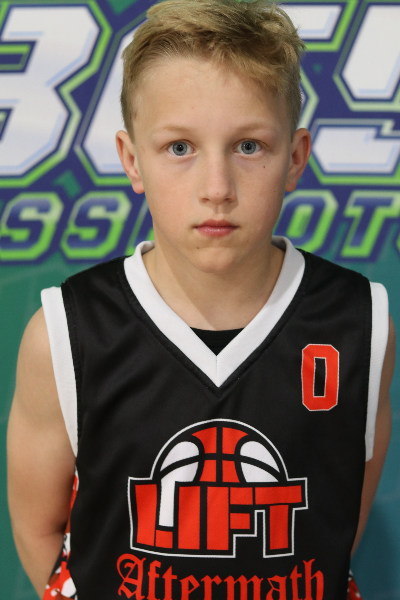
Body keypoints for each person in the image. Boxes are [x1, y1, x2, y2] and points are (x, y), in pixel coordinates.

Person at [7, 0, 395, 598]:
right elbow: (40, 532)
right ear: (132, 161)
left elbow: (337, 525)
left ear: (295, 158)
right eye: (180, 148)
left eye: (249, 147)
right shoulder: (65, 334)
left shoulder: (359, 323)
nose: (217, 189)